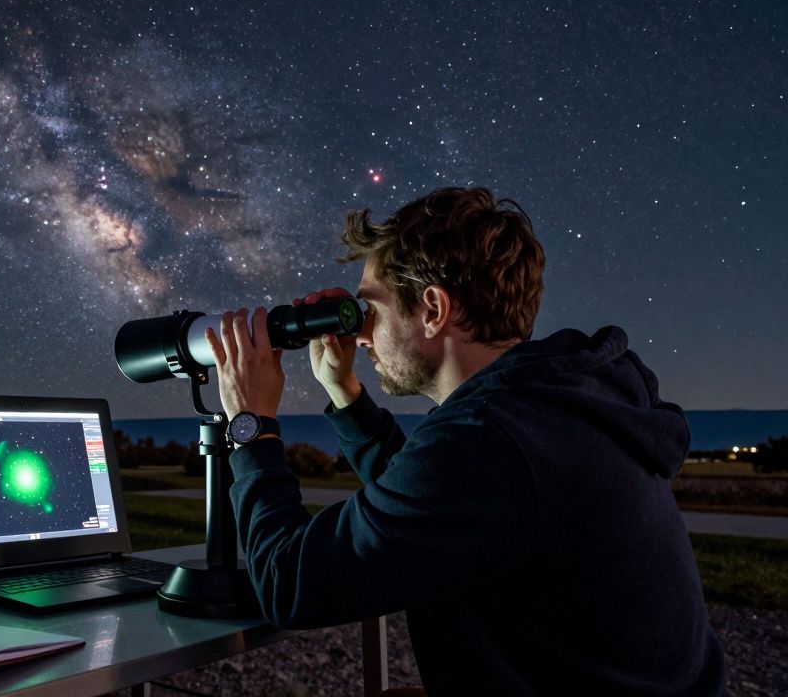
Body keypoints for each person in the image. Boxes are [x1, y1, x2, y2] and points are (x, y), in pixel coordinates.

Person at [204, 187, 726, 695]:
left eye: (371, 310)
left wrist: (251, 423)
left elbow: (289, 585)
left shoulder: (488, 441)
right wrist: (344, 392)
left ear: (433, 309)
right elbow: (425, 504)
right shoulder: (550, 406)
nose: (360, 336)